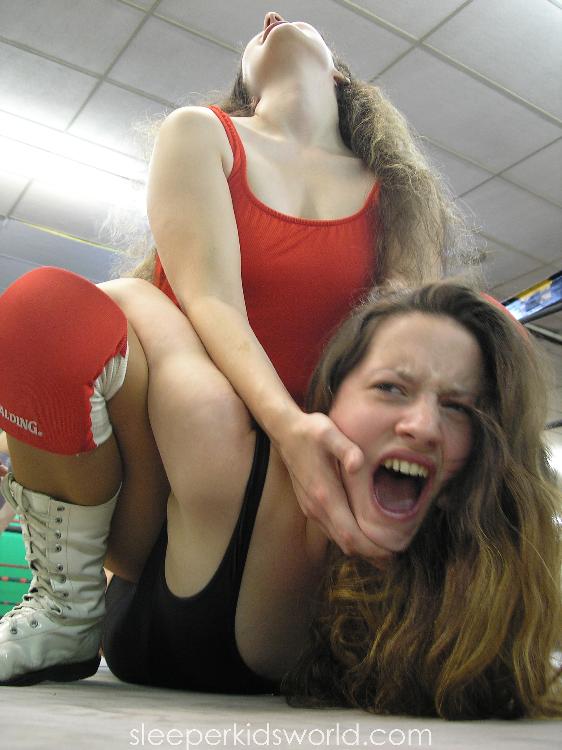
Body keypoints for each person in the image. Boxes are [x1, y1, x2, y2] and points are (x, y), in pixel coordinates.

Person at [0, 11, 471, 688]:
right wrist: (289, 429)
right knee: (47, 308)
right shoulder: (203, 132)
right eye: (257, 33)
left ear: (340, 77)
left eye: (295, 19)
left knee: (481, 335)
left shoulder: (395, 190)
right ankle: (63, 607)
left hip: (311, 525)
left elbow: (408, 350)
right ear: (245, 86)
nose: (272, 16)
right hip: (174, 484)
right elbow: (213, 300)